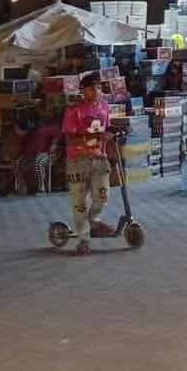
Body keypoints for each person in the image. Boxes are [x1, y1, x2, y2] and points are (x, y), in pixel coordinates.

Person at [62, 74, 113, 255]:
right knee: (80, 202)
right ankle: (83, 239)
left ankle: (93, 220)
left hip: (99, 158)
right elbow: (69, 139)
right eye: (91, 88)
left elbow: (108, 127)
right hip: (77, 160)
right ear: (83, 91)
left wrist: (111, 133)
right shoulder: (73, 110)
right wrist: (93, 137)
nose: (96, 91)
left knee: (103, 195)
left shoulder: (104, 107)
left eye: (98, 87)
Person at [15, 116, 62, 195]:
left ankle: (42, 187)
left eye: (17, 129)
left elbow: (58, 132)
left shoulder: (43, 130)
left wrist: (54, 143)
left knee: (38, 162)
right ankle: (22, 187)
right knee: (17, 162)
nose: (16, 132)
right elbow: (24, 151)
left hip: (49, 154)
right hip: (32, 156)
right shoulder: (26, 137)